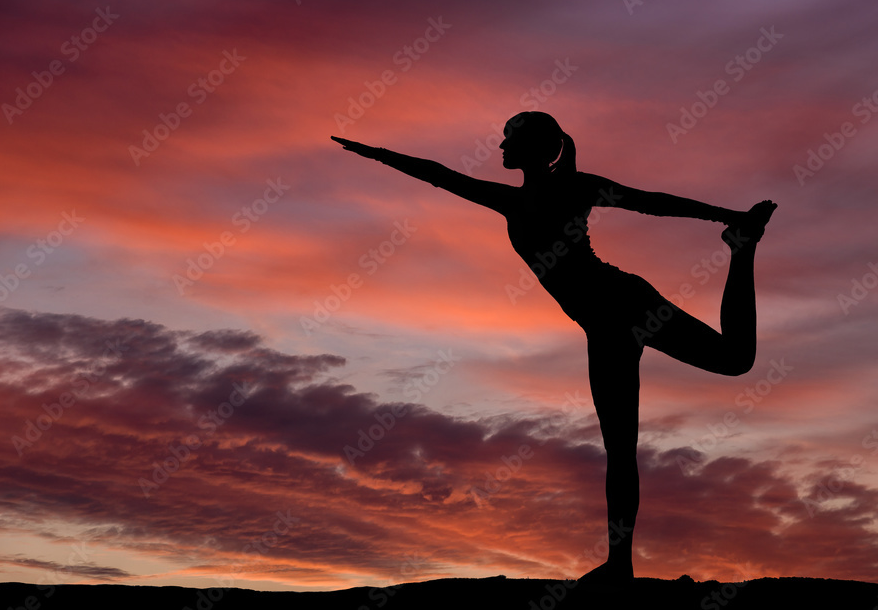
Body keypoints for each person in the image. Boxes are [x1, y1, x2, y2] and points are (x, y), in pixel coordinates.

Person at [331, 111, 776, 584]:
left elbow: (651, 203)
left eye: (508, 141)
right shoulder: (509, 199)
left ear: (534, 149)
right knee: (621, 447)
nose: (500, 148)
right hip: (603, 328)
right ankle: (619, 566)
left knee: (734, 362)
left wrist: (726, 216)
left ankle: (741, 246)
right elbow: (438, 174)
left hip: (624, 303)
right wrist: (374, 152)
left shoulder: (576, 188)